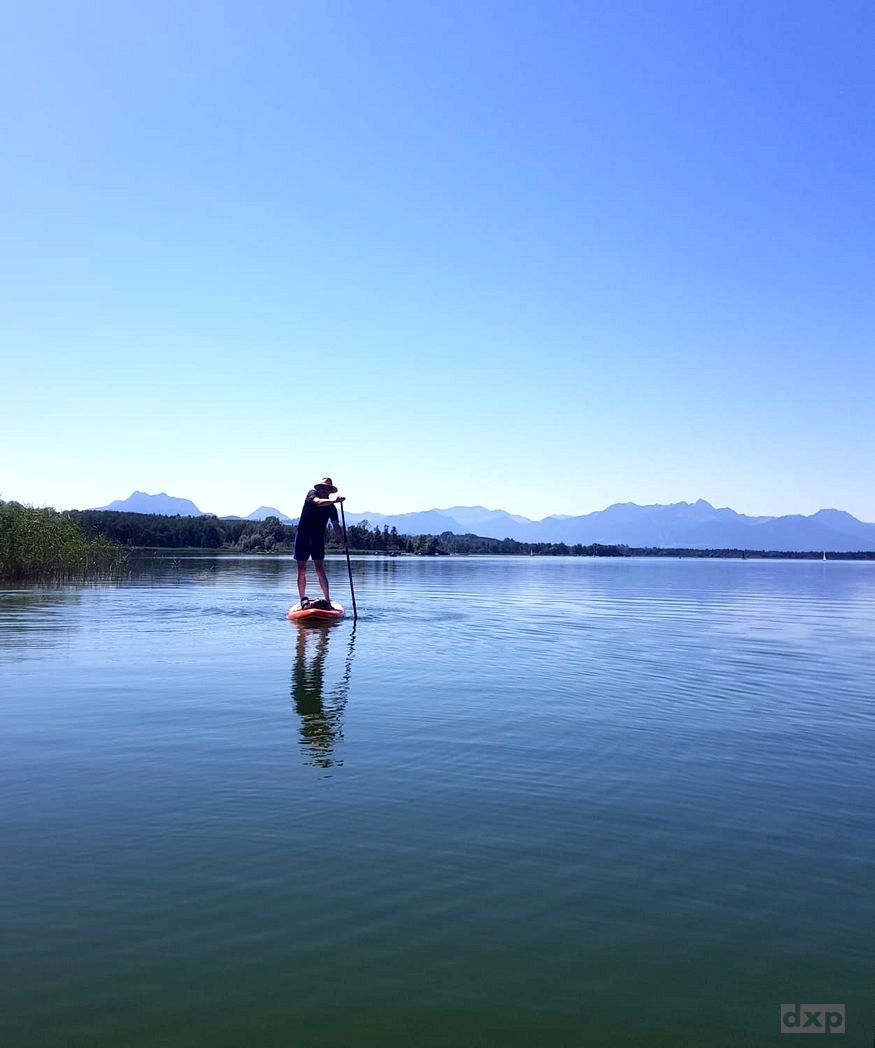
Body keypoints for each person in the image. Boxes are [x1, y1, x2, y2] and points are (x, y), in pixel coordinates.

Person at [294, 477, 346, 609]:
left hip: (318, 538)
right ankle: (303, 599)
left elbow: (336, 526)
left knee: (320, 569)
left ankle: (327, 601)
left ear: (330, 490)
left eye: (327, 488)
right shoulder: (312, 494)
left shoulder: (331, 508)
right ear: (319, 488)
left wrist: (343, 541)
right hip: (303, 536)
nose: (325, 490)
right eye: (323, 487)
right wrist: (334, 500)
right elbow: (317, 502)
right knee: (301, 569)